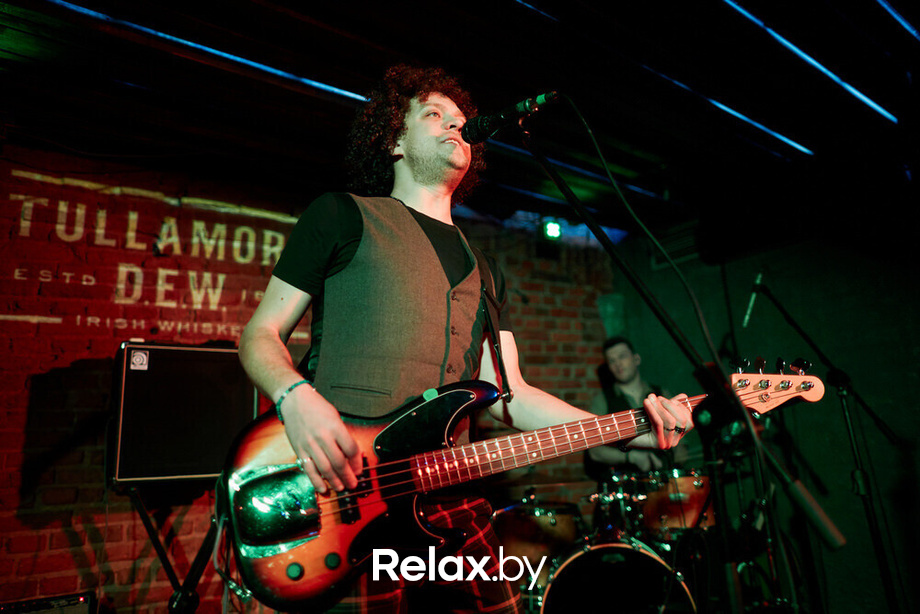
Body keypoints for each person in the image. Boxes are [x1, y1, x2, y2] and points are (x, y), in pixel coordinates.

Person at [238, 65, 693, 613]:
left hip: (455, 505)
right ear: (394, 141)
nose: (457, 126)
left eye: (461, 120)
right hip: (347, 494)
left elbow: (510, 397)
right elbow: (260, 334)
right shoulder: (342, 216)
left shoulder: (485, 269)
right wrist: (295, 398)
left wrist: (637, 431)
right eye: (434, 115)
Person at [585, 336, 676, 477]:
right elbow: (595, 451)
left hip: (665, 479)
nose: (618, 364)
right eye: (612, 361)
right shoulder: (602, 401)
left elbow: (679, 437)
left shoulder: (661, 393)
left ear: (636, 359)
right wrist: (631, 457)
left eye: (622, 356)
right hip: (628, 484)